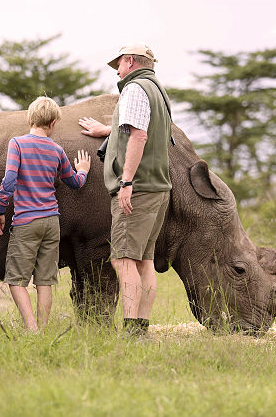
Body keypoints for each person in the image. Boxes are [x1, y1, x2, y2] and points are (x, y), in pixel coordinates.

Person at [79, 43, 172, 335]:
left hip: (139, 186)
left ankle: (132, 329)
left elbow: (140, 135)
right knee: (144, 260)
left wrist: (127, 181)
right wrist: (108, 130)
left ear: (130, 61)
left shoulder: (133, 88)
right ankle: (140, 328)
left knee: (123, 259)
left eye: (118, 64)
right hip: (158, 187)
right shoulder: (158, 91)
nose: (117, 71)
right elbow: (147, 126)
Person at [0, 96, 91, 331]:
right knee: (45, 281)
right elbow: (75, 183)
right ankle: (43, 330)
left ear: (30, 118)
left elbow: (9, 181)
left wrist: (0, 210)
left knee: (16, 280)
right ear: (54, 122)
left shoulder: (17, 144)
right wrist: (84, 171)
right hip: (51, 222)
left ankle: (32, 329)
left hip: (27, 221)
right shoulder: (57, 150)